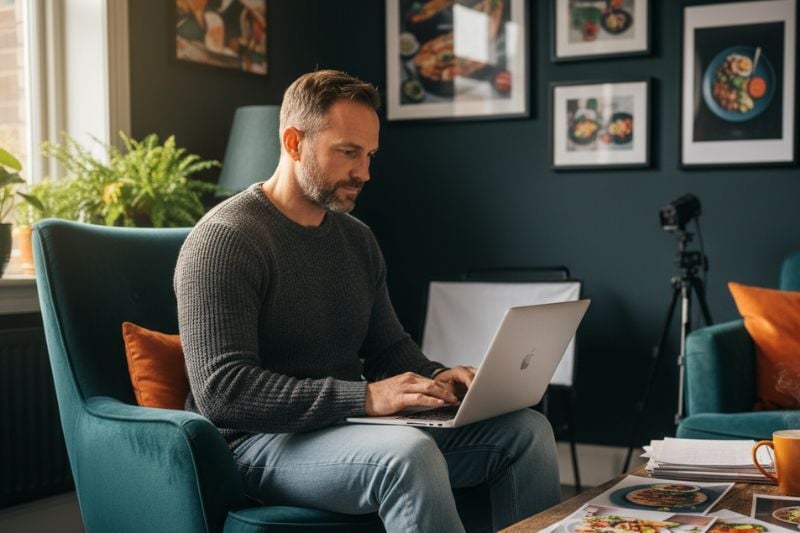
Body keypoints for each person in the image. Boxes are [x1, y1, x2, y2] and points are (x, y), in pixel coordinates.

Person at [174, 69, 559, 533]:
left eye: (370, 154)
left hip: (347, 428)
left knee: (526, 432)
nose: (364, 172)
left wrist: (439, 378)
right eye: (348, 152)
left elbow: (387, 348)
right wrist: (365, 397)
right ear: (294, 143)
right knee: (408, 457)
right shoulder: (225, 240)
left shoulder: (357, 240)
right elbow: (223, 391)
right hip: (257, 444)